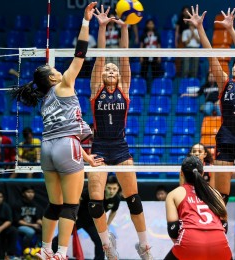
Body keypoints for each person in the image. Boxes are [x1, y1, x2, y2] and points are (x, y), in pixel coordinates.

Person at [9, 3, 104, 259]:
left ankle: (45, 249)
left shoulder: (45, 100)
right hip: (65, 147)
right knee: (72, 205)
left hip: (48, 149)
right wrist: (86, 22)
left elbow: (66, 131)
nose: (58, 70)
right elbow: (81, 53)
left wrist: (86, 158)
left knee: (55, 203)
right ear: (52, 77)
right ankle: (62, 253)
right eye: (54, 70)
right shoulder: (64, 84)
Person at [185, 5, 235, 259]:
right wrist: (199, 29)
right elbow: (210, 56)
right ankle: (219, 242)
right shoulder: (225, 83)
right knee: (222, 197)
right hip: (226, 141)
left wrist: (230, 30)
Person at [89, 5, 153, 260]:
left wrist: (125, 27)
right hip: (99, 148)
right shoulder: (97, 90)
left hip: (121, 147)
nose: (111, 71)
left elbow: (124, 57)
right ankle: (107, 244)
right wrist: (103, 27)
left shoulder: (124, 89)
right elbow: (100, 57)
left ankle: (144, 245)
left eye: (114, 70)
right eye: (108, 70)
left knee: (134, 199)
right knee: (95, 202)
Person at [164, 156, 231, 260]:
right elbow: (224, 226)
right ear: (203, 173)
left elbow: (173, 229)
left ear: (181, 173)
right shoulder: (215, 193)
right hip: (219, 242)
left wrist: (188, 247)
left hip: (190, 240)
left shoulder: (174, 194)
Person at [52, 175, 121, 260]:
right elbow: (77, 198)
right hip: (78, 219)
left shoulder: (116, 199)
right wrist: (74, 214)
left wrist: (107, 224)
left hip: (92, 223)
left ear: (118, 188)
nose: (111, 191)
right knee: (59, 239)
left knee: (100, 242)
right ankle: (53, 255)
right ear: (104, 186)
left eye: (114, 189)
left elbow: (114, 211)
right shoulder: (93, 192)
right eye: (109, 188)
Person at [12, 185, 44, 251]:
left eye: (32, 192)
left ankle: (38, 248)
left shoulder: (35, 205)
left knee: (45, 231)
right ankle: (24, 250)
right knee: (30, 232)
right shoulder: (18, 204)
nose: (31, 194)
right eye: (28, 192)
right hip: (19, 226)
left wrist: (44, 225)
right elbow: (18, 221)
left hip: (33, 225)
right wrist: (32, 225)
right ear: (23, 193)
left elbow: (38, 219)